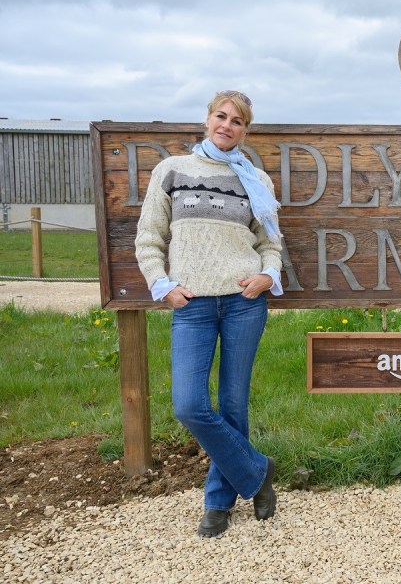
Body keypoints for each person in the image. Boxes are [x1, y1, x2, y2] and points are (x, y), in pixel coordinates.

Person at [135, 90, 284, 538]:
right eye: (221, 116)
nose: (227, 125)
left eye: (237, 121)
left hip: (243, 301)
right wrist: (162, 286)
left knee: (234, 405)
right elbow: (149, 237)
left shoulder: (256, 179)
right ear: (206, 120)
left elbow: (270, 242)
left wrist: (267, 275)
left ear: (246, 130)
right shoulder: (172, 171)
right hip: (193, 305)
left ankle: (218, 503)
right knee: (189, 405)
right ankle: (258, 472)